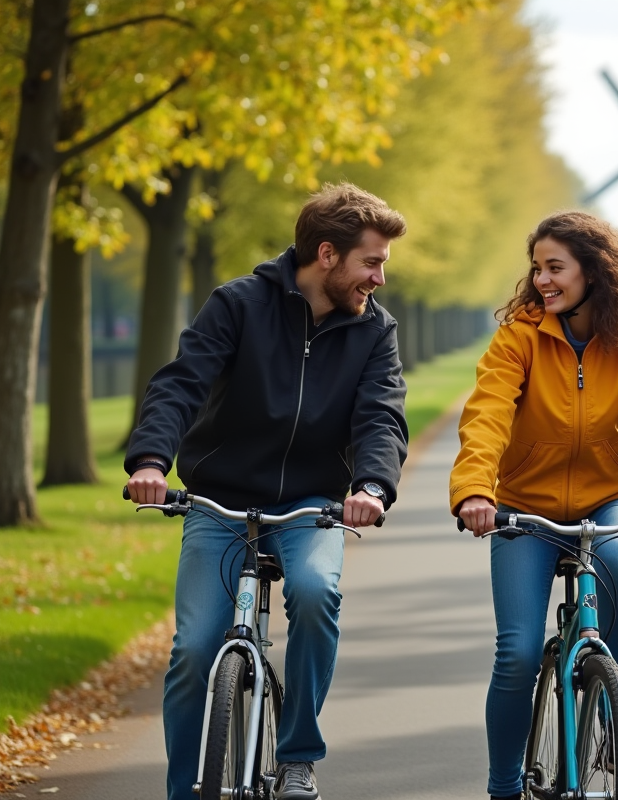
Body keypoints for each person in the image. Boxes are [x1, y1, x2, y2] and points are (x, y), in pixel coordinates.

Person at [124, 182, 410, 800]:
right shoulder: (238, 304)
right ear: (327, 254)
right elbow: (182, 383)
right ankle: (183, 789)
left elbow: (380, 416)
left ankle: (298, 756)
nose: (380, 278)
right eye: (373, 261)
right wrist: (151, 460)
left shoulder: (374, 332)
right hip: (220, 502)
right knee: (194, 650)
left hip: (313, 505)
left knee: (313, 592)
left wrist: (371, 485)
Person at [450, 210, 618, 800]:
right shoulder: (520, 334)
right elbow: (488, 413)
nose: (542, 279)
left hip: (611, 496)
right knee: (515, 652)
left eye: (555, 267)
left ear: (594, 270)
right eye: (537, 267)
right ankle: (503, 787)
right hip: (525, 505)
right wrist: (474, 491)